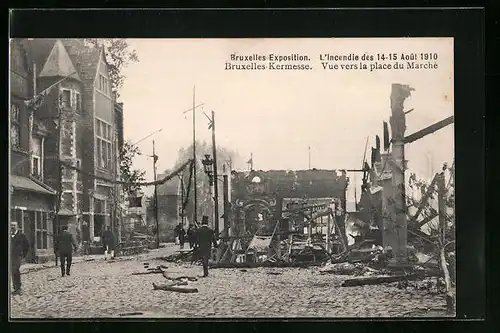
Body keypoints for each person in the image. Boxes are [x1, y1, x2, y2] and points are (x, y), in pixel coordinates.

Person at [11, 221, 30, 295]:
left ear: (17, 226)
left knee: (15, 270)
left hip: (18, 256)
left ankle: (18, 288)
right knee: (13, 271)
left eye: (14, 225)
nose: (12, 227)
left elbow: (27, 245)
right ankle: (15, 287)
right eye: (11, 225)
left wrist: (23, 255)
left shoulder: (21, 235)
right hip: (10, 256)